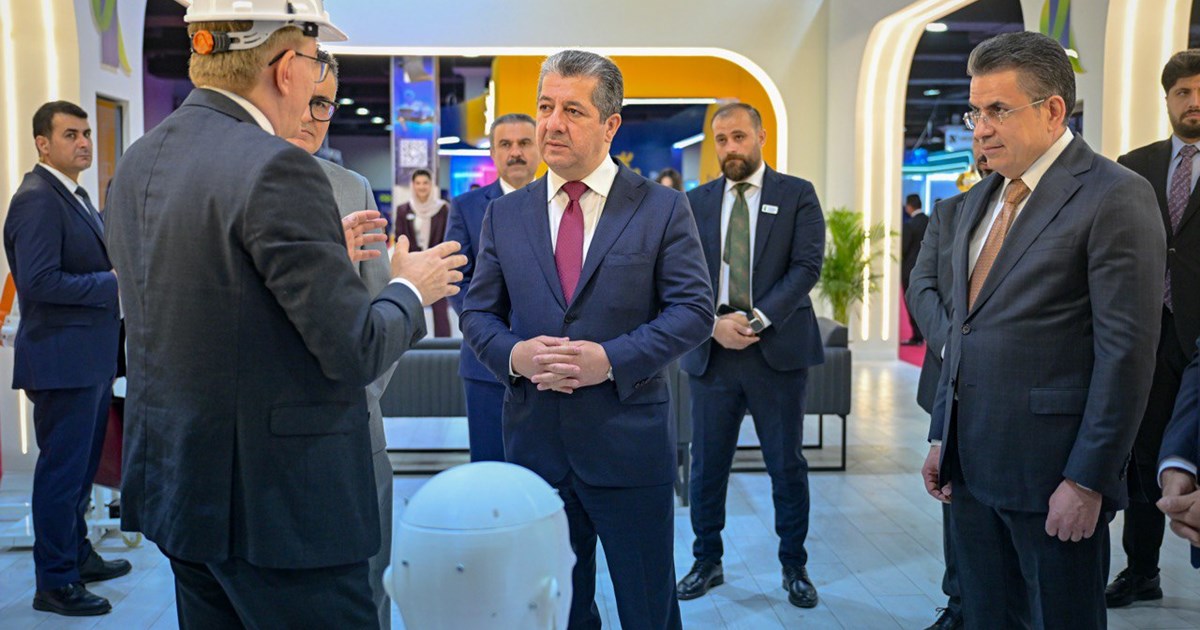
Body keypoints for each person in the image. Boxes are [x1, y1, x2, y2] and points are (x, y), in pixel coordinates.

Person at [104, 3, 466, 627]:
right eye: (316, 61)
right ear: (285, 68)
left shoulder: (140, 160)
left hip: (179, 492)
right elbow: (356, 348)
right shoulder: (277, 168)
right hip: (281, 511)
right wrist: (410, 287)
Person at [460, 49, 713, 630]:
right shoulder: (506, 215)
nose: (552, 123)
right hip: (537, 450)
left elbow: (694, 310)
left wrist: (611, 359)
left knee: (648, 609)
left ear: (610, 124)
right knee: (559, 612)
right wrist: (515, 356)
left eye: (572, 110)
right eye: (545, 107)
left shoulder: (661, 208)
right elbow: (478, 313)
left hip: (629, 447)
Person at [921, 31, 1164, 629]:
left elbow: (1126, 355)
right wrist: (942, 435)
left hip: (1054, 478)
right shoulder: (980, 200)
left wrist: (1087, 480)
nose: (980, 129)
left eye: (997, 110)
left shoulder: (1114, 195)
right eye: (975, 111)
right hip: (970, 471)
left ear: (1053, 110)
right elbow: (967, 331)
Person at [674, 102, 825, 609]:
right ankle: (706, 560)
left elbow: (806, 267)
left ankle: (794, 566)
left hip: (774, 352)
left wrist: (758, 319)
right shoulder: (695, 202)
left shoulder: (797, 194)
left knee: (786, 465)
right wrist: (712, 325)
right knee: (706, 466)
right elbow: (683, 276)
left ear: (761, 136)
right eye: (721, 139)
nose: (730, 148)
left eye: (739, 136)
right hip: (712, 353)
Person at [3, 101, 128, 617]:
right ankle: (54, 582)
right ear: (42, 143)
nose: (83, 143)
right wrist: (113, 283)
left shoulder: (71, 194)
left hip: (86, 359)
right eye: (71, 134)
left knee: (80, 473)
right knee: (61, 475)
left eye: (86, 134)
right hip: (61, 361)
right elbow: (38, 283)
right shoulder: (37, 199)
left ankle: (76, 556)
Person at [286, 49, 396, 630]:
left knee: (366, 584)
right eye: (303, 100)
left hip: (353, 427)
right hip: (267, 438)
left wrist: (361, 395)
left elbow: (380, 310)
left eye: (324, 105)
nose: (311, 117)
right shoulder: (225, 183)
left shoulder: (352, 189)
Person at [1106, 49, 1200, 608]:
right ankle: (1142, 570)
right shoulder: (1133, 165)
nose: (1194, 101)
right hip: (1148, 331)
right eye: (1183, 92)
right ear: (1167, 99)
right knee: (1143, 456)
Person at [906, 147, 991, 630]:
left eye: (997, 115)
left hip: (1020, 386)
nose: (983, 142)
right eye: (976, 122)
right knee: (955, 495)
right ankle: (958, 604)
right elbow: (921, 286)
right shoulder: (949, 211)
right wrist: (953, 347)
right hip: (950, 379)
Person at [444, 112, 540, 463]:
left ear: (539, 147)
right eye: (505, 144)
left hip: (551, 361)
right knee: (491, 469)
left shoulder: (565, 203)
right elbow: (457, 279)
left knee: (545, 476)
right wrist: (496, 336)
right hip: (486, 364)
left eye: (524, 143)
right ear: (493, 153)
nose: (516, 152)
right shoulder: (466, 208)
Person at [395, 169, 451, 336]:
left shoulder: (443, 209)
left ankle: (443, 343)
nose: (422, 187)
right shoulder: (403, 210)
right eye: (418, 183)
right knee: (411, 305)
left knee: (440, 307)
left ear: (431, 185)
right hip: (412, 264)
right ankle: (411, 342)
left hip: (437, 263)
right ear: (413, 185)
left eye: (425, 183)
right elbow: (400, 238)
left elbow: (448, 236)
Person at [901, 193, 928, 345]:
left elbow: (904, 249)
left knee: (912, 303)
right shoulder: (930, 221)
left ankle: (917, 336)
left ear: (908, 207)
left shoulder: (909, 225)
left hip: (909, 270)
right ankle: (926, 334)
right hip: (928, 269)